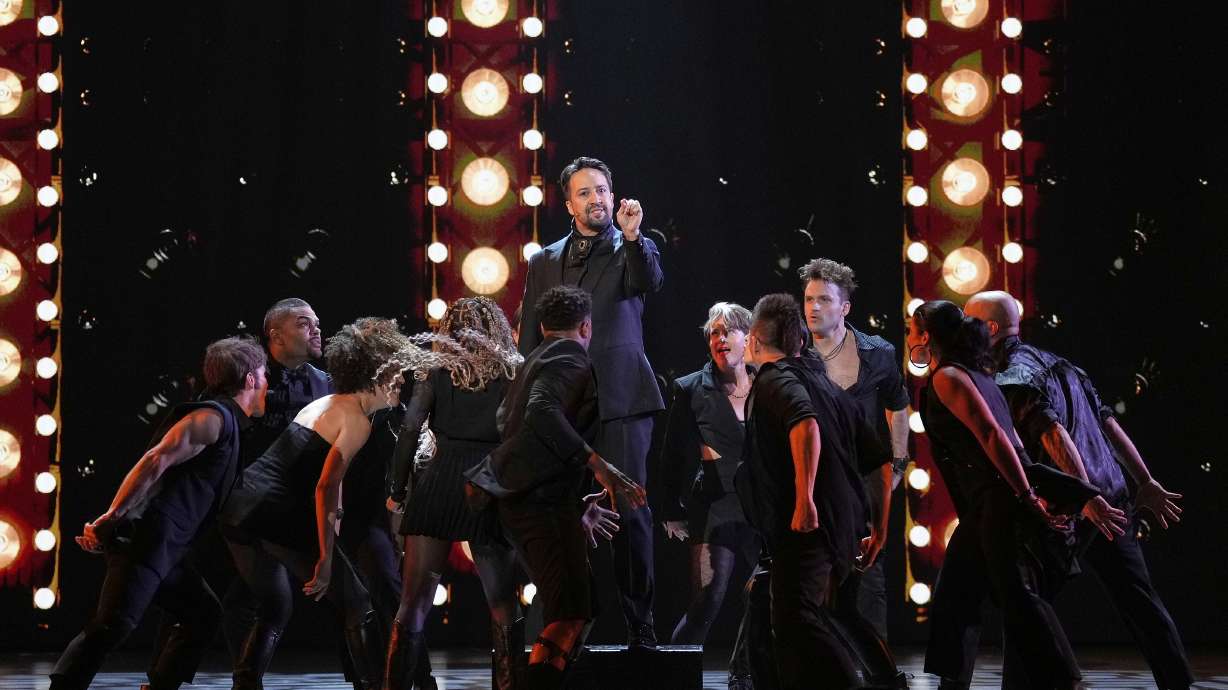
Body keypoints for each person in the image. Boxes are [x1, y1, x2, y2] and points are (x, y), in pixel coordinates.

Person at [965, 291, 1192, 690]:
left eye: (969, 320)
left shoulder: (1014, 374)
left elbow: (1051, 432)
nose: (965, 329)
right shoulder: (1066, 367)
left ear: (991, 329)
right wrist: (1144, 480)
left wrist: (1084, 494)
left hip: (1074, 504)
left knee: (1027, 602)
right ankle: (1177, 682)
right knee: (1139, 599)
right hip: (1110, 498)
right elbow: (1108, 426)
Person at [49, 337, 268, 690]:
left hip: (168, 548)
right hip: (147, 540)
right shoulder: (212, 417)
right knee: (110, 625)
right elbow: (155, 460)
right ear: (250, 379)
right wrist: (112, 516)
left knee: (203, 614)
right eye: (264, 375)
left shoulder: (225, 422)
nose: (267, 386)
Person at [907, 300, 1096, 690]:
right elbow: (1007, 440)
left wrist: (1027, 495)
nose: (908, 335)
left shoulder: (950, 378)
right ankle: (951, 681)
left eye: (912, 329)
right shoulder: (978, 375)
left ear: (926, 336)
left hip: (993, 501)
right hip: (986, 502)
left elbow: (996, 437)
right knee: (957, 593)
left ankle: (1065, 678)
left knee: (1015, 594)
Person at [467, 285, 647, 689]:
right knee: (570, 612)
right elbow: (542, 412)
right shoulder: (569, 356)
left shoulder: (534, 359)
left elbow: (506, 423)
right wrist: (598, 465)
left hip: (530, 500)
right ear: (586, 326)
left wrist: (574, 497)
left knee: (578, 606)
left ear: (543, 325)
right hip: (539, 506)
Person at [517, 156, 664, 647]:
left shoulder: (631, 249)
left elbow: (648, 281)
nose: (597, 199)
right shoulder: (543, 260)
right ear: (568, 203)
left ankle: (640, 624)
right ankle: (565, 624)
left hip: (621, 398)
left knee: (629, 511)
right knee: (558, 511)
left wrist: (633, 236)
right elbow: (527, 341)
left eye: (603, 189)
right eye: (585, 192)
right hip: (560, 405)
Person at [218, 318, 410, 690]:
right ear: (376, 376)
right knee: (356, 602)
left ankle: (245, 684)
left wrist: (332, 533)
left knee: (275, 605)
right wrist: (324, 558)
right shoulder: (357, 422)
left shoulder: (328, 402)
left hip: (238, 508)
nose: (401, 383)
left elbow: (323, 481)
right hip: (272, 513)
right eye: (397, 376)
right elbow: (325, 486)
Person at [736, 293, 893, 690]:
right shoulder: (829, 387)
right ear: (800, 342)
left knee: (797, 619)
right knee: (788, 610)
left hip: (807, 525)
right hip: (840, 524)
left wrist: (804, 500)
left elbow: (804, 424)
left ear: (754, 340)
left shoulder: (775, 380)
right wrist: (882, 527)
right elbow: (879, 459)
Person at [380, 297, 526, 690]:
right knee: (502, 605)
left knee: (412, 603)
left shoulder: (437, 371)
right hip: (489, 483)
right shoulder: (513, 371)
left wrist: (397, 490)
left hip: (441, 480)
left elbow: (410, 429)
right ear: (496, 326)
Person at [799, 258, 909, 640]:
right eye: (809, 299)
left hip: (862, 477)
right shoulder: (793, 353)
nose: (813, 308)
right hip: (810, 477)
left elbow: (898, 403)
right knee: (807, 571)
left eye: (824, 300)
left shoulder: (877, 352)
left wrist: (897, 463)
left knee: (868, 573)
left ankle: (875, 666)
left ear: (844, 307)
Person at [659, 302, 759, 679]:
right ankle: (672, 675)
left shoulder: (768, 382)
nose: (720, 339)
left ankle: (745, 673)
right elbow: (672, 454)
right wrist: (670, 508)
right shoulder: (690, 388)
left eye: (728, 331)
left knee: (763, 598)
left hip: (761, 508)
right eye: (714, 333)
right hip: (716, 508)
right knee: (709, 597)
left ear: (747, 338)